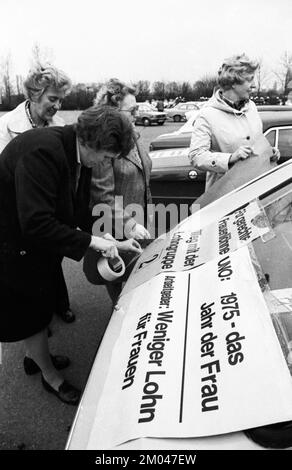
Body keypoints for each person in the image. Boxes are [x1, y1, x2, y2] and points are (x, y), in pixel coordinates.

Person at [0, 105, 142, 405]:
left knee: (41, 299)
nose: (106, 163)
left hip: (34, 240)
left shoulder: (76, 151)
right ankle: (50, 376)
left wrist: (110, 238)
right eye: (106, 157)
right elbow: (36, 221)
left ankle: (35, 357)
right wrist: (93, 242)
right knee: (31, 310)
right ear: (93, 143)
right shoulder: (43, 152)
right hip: (12, 240)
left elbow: (76, 208)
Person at [0, 63, 76, 324]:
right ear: (34, 95)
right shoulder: (6, 126)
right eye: (53, 98)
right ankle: (36, 331)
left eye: (61, 100)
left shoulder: (59, 124)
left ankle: (59, 304)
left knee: (53, 261)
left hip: (49, 210)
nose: (57, 106)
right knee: (29, 275)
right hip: (19, 215)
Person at [91, 78, 152, 303]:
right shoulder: (104, 147)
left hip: (140, 218)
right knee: (118, 279)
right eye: (132, 109)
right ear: (113, 112)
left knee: (140, 275)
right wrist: (129, 224)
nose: (137, 113)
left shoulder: (133, 136)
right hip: (115, 224)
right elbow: (102, 195)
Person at [189, 54, 280, 192]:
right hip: (226, 195)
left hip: (256, 189)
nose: (254, 85)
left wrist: (268, 153)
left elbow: (257, 142)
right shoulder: (207, 115)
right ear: (233, 83)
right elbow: (196, 156)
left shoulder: (252, 107)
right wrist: (230, 158)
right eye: (249, 80)